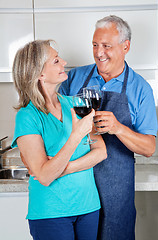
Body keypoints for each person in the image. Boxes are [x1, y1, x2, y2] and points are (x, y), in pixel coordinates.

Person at [59, 15, 158, 240]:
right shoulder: (73, 78)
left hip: (116, 193)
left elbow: (149, 147)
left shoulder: (140, 89)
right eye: (95, 45)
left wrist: (118, 128)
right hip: (76, 187)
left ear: (126, 47)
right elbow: (52, 118)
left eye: (106, 46)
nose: (98, 52)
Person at [11, 40, 107, 240]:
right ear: (39, 74)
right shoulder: (27, 116)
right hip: (51, 212)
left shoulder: (76, 103)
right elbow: (45, 178)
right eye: (56, 60)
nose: (64, 62)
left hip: (89, 206)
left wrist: (60, 168)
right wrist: (76, 136)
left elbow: (100, 152)